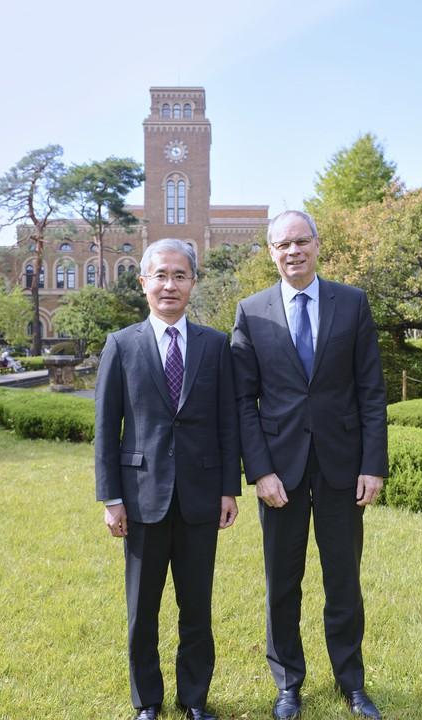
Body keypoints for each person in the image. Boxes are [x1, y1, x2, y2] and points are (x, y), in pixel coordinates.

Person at [231, 211, 388, 720]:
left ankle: (352, 683)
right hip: (280, 471)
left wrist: (373, 464)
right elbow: (242, 402)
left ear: (317, 245)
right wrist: (260, 471)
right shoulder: (250, 312)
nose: (293, 251)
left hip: (343, 466)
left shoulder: (352, 302)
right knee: (283, 582)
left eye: (302, 241)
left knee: (343, 579)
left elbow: (370, 390)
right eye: (283, 244)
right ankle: (288, 684)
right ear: (271, 252)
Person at [95, 239, 241, 720]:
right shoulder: (121, 345)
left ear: (193, 282)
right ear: (143, 282)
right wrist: (111, 497)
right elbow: (106, 428)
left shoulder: (215, 345)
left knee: (196, 607)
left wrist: (227, 489)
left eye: (180, 275)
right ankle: (147, 701)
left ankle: (195, 699)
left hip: (201, 497)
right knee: (143, 611)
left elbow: (227, 423)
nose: (169, 285)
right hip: (141, 498)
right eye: (160, 275)